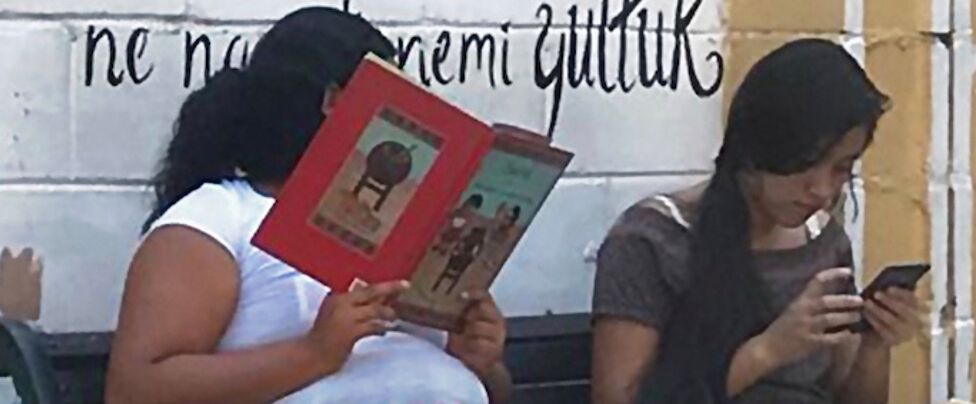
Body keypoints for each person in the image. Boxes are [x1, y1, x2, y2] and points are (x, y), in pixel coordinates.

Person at [105, 7, 511, 403]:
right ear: (333, 101)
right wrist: (314, 353)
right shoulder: (218, 218)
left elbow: (475, 389)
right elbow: (136, 391)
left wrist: (480, 360)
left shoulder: (408, 232)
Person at [590, 39, 930, 404]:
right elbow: (616, 398)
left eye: (841, 168)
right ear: (758, 150)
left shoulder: (823, 243)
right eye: (805, 163)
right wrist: (768, 351)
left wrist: (874, 344)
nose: (821, 189)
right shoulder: (653, 240)